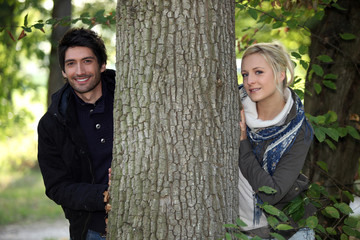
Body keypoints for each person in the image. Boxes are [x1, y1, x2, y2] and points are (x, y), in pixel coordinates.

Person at [37, 28, 115, 240]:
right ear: (63, 71)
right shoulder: (52, 123)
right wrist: (105, 196)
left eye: (87, 61)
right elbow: (57, 187)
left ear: (102, 64)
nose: (79, 71)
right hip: (92, 230)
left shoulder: (130, 99)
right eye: (71, 63)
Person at [238, 42, 315, 239]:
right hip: (237, 229)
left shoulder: (299, 130)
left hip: (287, 231)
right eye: (245, 74)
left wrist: (243, 143)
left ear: (281, 74)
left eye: (258, 72)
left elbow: (271, 193)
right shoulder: (232, 106)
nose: (250, 81)